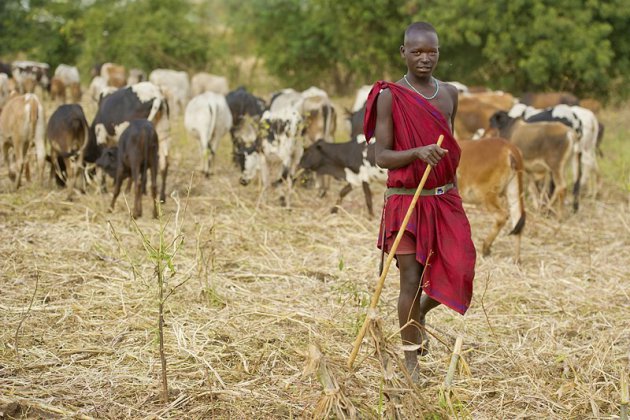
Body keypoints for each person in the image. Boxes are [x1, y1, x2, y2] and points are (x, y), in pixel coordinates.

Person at [363, 22, 476, 379]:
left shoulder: (450, 93)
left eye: (432, 52)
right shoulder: (390, 95)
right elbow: (382, 156)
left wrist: (456, 195)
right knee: (409, 280)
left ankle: (420, 313)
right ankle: (411, 361)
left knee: (460, 269)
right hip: (406, 199)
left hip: (443, 199)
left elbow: (450, 151)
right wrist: (417, 153)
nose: (425, 59)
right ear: (403, 52)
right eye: (417, 52)